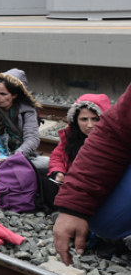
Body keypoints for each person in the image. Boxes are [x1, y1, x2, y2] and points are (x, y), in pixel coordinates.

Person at [53, 85, 130, 265]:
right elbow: (58, 156)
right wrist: (74, 202)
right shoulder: (70, 138)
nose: (89, 125)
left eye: (95, 119)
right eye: (84, 119)